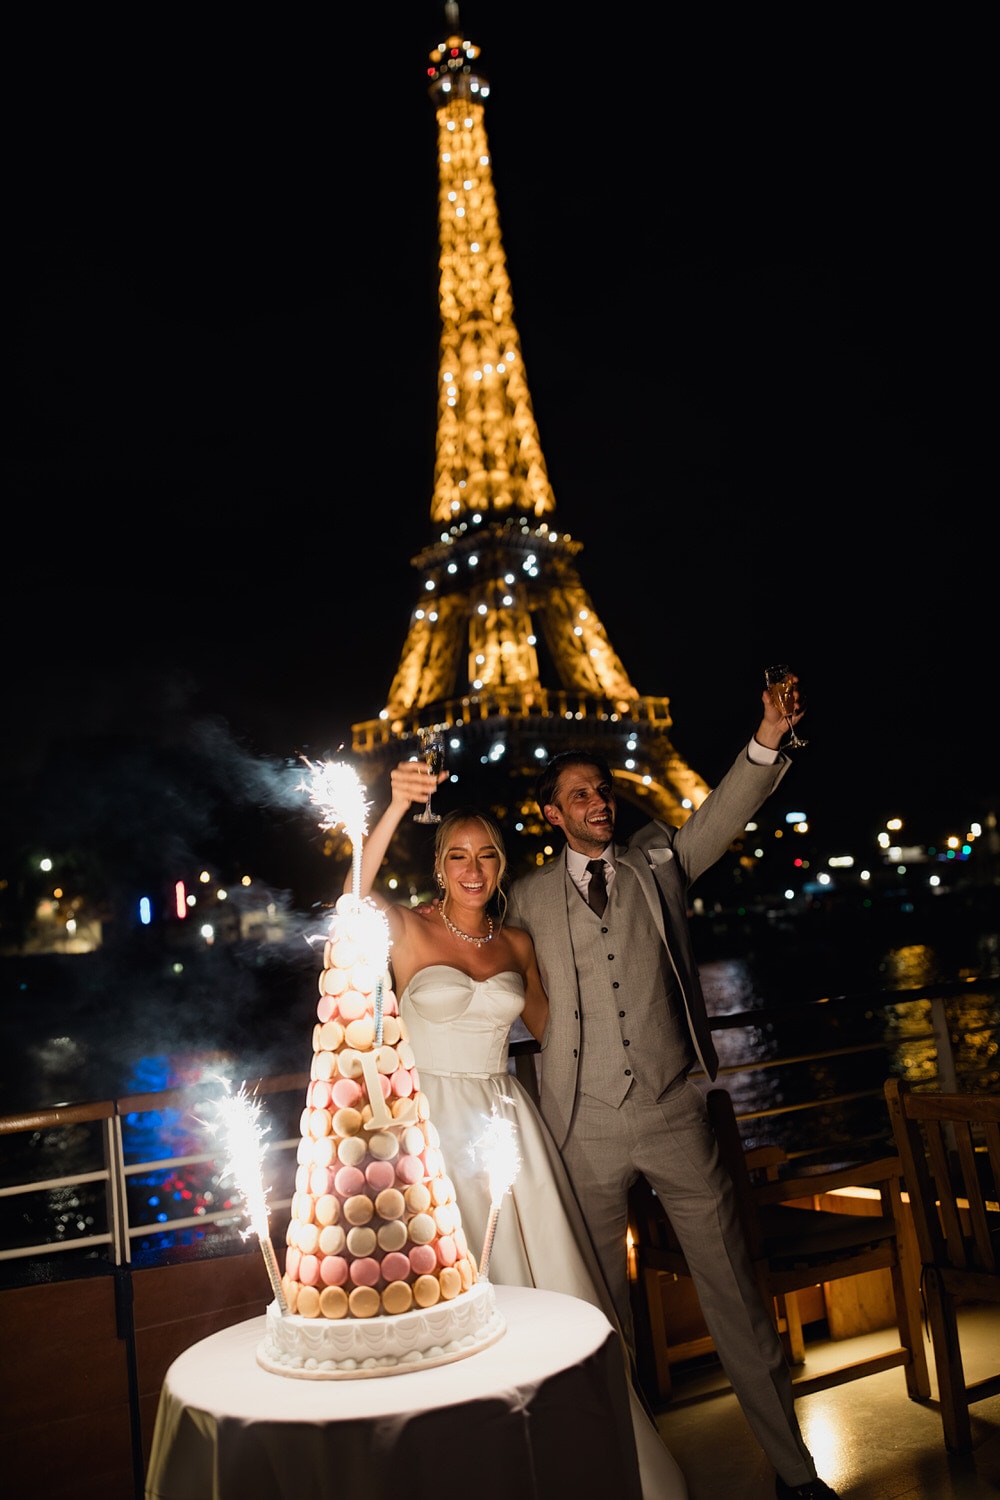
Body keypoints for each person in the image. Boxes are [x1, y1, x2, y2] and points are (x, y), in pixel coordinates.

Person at [505, 676, 840, 1500]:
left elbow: (723, 811)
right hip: (578, 1127)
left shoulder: (659, 859)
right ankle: (625, 1480)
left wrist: (765, 737)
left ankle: (795, 1476)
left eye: (601, 790)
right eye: (578, 795)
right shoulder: (526, 899)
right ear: (552, 814)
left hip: (673, 1111)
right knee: (596, 1320)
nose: (598, 802)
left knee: (735, 1296)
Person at [355, 761, 689, 1500]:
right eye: (457, 856)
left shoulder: (516, 944)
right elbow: (351, 895)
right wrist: (391, 809)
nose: (473, 870)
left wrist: (647, 1057)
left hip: (508, 1124)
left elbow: (559, 1030)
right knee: (461, 1296)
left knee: (541, 1296)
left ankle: (565, 1459)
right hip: (430, 1132)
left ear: (501, 865)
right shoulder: (407, 929)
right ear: (440, 866)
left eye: (486, 856)